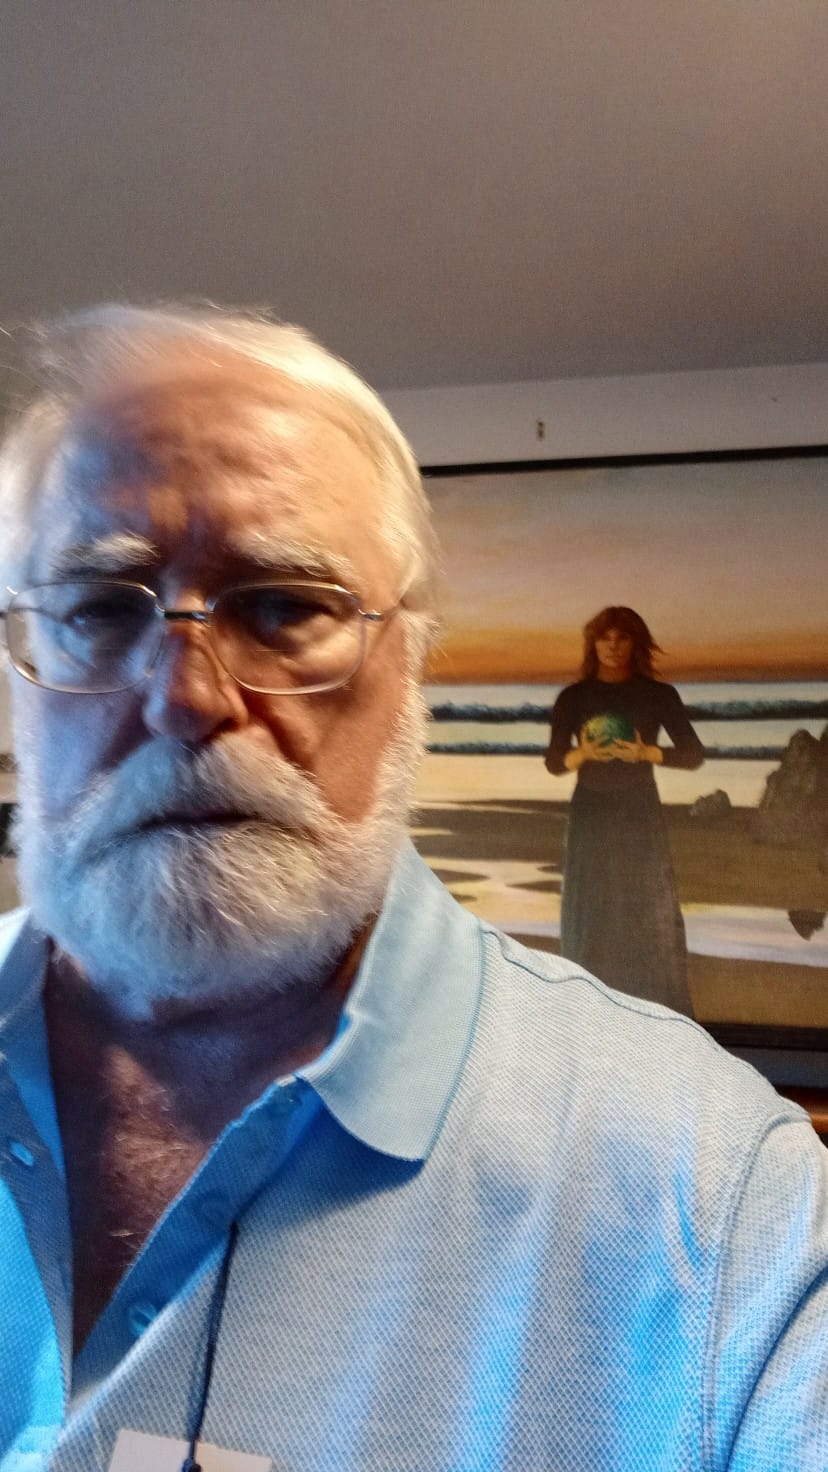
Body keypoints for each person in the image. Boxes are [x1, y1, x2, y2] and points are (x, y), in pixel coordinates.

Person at [0, 306, 825, 1472]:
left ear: (413, 666)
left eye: (283, 605)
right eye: (97, 606)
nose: (185, 695)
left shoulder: (722, 1207)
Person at [545, 607, 704, 1015]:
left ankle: (653, 1004)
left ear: (635, 644)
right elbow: (554, 762)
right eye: (605, 638)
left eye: (622, 638)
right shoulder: (573, 698)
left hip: (639, 807)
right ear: (593, 644)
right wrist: (584, 753)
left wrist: (646, 752)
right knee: (590, 902)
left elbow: (693, 754)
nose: (613, 646)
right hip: (591, 809)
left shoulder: (658, 695)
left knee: (644, 899)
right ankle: (589, 1003)